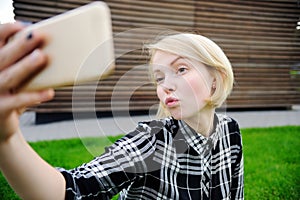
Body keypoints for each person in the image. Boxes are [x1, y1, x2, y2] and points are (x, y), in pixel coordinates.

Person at [0, 22, 244, 200]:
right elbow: (69, 190)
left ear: (216, 80)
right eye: (159, 77)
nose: (165, 85)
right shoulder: (152, 141)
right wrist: (7, 139)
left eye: (181, 69)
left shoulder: (230, 130)